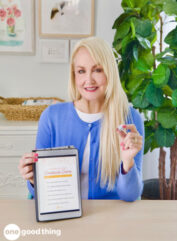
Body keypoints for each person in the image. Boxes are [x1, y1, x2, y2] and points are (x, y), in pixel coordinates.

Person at [18, 37, 144, 201]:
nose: (89, 80)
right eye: (81, 71)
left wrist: (127, 162)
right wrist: (34, 179)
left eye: (97, 70)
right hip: (62, 214)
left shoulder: (130, 119)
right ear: (74, 76)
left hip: (110, 217)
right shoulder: (51, 117)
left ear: (109, 72)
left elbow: (131, 196)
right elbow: (39, 195)